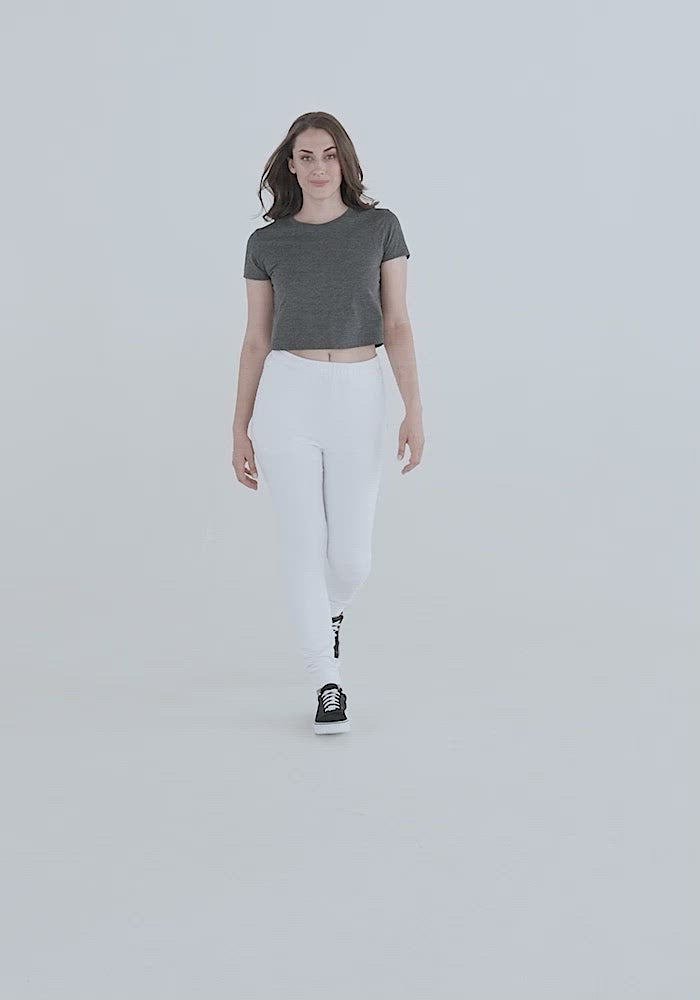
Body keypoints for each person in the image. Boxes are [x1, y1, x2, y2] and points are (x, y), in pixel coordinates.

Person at [231, 111, 424, 735]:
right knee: (301, 542)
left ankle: (331, 612)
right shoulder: (267, 242)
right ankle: (326, 679)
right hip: (288, 394)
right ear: (290, 166)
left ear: (345, 160)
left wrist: (414, 409)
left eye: (329, 155)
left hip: (360, 394)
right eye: (306, 156)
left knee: (351, 559)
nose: (318, 167)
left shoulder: (380, 228)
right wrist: (239, 427)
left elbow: (397, 323)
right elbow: (256, 339)